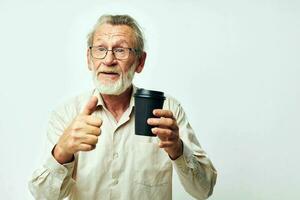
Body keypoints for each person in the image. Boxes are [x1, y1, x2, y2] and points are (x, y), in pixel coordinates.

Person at [28, 14, 217, 200]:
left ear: (140, 62)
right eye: (100, 49)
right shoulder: (67, 113)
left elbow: (203, 190)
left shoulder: (167, 111)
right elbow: (43, 196)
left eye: (120, 50)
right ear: (89, 58)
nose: (108, 60)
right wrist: (62, 151)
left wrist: (178, 149)